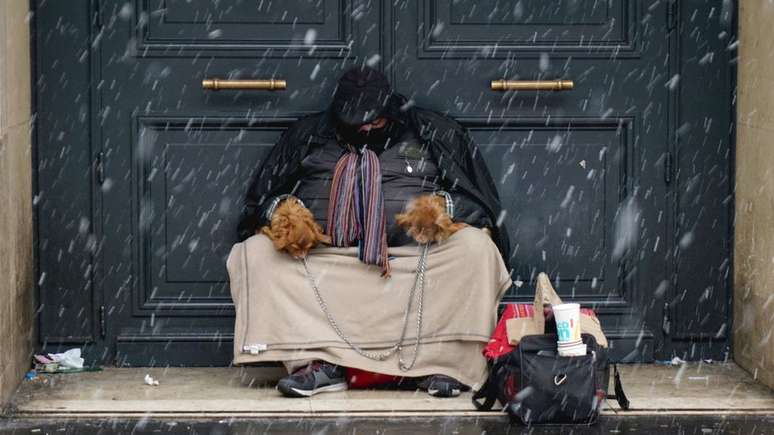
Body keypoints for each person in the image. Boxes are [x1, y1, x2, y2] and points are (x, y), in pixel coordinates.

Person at [228, 66, 512, 398]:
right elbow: (257, 204)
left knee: (475, 247)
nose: (365, 127)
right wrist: (283, 214)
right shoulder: (307, 136)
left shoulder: (433, 133)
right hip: (326, 263)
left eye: (373, 121)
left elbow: (481, 206)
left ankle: (445, 365)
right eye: (355, 122)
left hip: (413, 262)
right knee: (255, 253)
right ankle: (316, 363)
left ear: (389, 112)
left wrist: (441, 209)